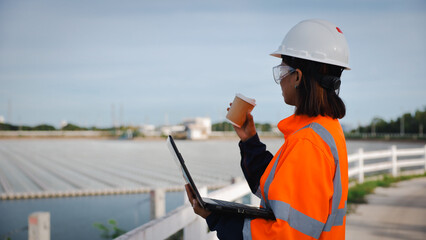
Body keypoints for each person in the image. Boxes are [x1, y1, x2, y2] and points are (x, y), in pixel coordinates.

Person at [185, 19, 350, 239]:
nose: (280, 79)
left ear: (298, 77)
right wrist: (250, 141)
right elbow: (277, 190)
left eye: (283, 70)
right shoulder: (327, 129)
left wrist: (216, 218)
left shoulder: (308, 144)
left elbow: (284, 235)